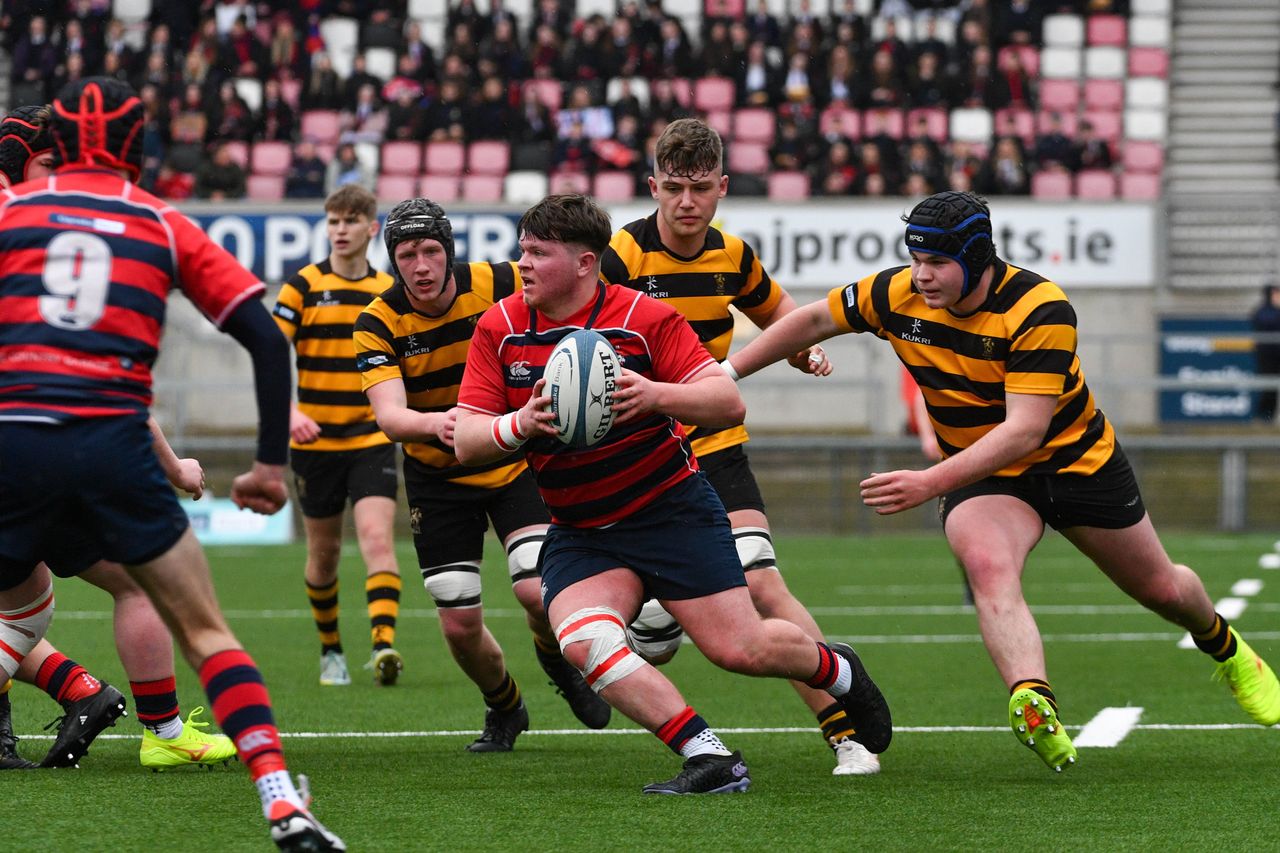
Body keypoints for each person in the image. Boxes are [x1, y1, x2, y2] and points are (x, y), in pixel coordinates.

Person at [725, 190, 1280, 772]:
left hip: (1074, 463)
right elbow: (813, 318)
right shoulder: (897, 292)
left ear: (977, 257)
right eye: (914, 260)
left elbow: (1023, 432)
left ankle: (1224, 645)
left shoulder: (1039, 307)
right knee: (989, 567)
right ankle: (1032, 698)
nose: (921, 276)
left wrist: (929, 481)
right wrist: (727, 370)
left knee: (1163, 590)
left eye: (937, 263)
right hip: (983, 476)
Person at [0, 78, 343, 850]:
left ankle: (95, 695)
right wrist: (264, 465)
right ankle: (282, 800)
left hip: (13, 441)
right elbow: (263, 336)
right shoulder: (161, 222)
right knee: (206, 631)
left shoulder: (12, 212)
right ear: (136, 145)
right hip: (114, 445)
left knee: (22, 613)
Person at [453, 193, 891, 793]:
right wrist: (518, 426)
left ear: (586, 263)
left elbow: (725, 400)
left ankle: (837, 669)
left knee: (740, 650)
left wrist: (655, 394)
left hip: (671, 512)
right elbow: (468, 440)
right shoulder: (500, 327)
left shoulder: (644, 318)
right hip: (583, 530)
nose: (522, 264)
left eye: (538, 253)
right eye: (522, 250)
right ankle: (708, 756)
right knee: (583, 638)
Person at [598, 117, 881, 777]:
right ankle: (661, 606)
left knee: (763, 583)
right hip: (638, 453)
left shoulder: (733, 254)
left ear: (722, 187)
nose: (687, 202)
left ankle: (844, 731)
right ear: (653, 187)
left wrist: (801, 348)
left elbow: (782, 315)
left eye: (700, 188)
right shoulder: (622, 256)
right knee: (636, 628)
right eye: (673, 188)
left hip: (714, 445)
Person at [0, 105, 237, 773]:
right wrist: (172, 465)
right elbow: (100, 375)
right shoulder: (40, 229)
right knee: (136, 583)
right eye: (50, 162)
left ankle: (84, 697)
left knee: (26, 604)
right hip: (43, 449)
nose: (65, 174)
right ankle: (160, 727)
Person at [353, 198, 610, 751]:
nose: (421, 266)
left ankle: (559, 664)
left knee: (537, 592)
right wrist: (440, 423)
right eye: (406, 255)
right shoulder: (377, 320)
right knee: (458, 621)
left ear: (448, 250)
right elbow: (390, 417)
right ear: (392, 260)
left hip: (513, 460)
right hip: (437, 479)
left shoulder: (497, 282)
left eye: (430, 251)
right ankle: (505, 706)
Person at [271, 185, 405, 688]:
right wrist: (286, 414)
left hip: (370, 438)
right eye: (333, 222)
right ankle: (332, 651)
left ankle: (383, 645)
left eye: (350, 221)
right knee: (323, 555)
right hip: (313, 444)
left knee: (375, 539)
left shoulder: (386, 291)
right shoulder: (302, 286)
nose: (340, 231)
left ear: (372, 228)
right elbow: (268, 357)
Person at [1250, 282, 1280, 422]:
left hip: (1277, 355)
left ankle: (1271, 417)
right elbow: (1264, 321)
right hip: (1267, 357)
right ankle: (1261, 418)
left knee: (1274, 389)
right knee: (1268, 388)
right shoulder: (1262, 311)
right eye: (1276, 294)